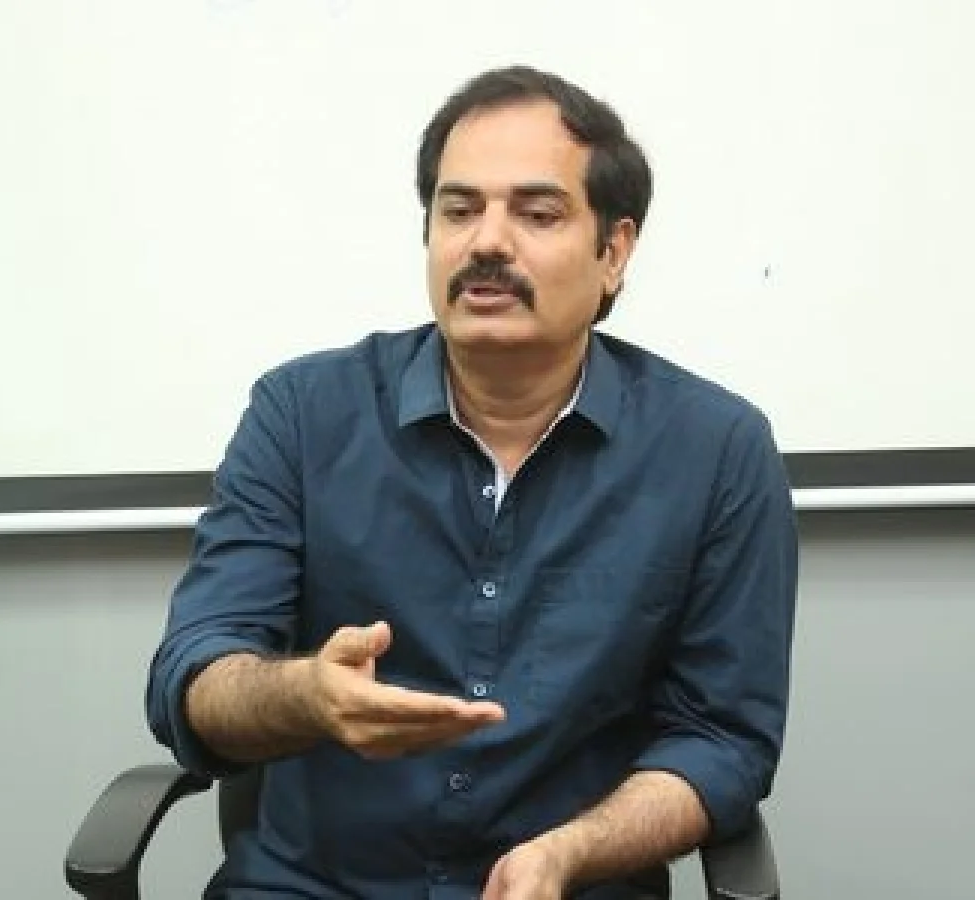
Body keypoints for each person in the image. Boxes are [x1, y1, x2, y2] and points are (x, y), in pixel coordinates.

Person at [146, 65, 798, 900]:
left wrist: (571, 853)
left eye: (536, 213)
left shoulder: (717, 450)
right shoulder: (302, 415)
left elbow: (722, 738)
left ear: (613, 252)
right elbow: (194, 675)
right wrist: (306, 695)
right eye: (459, 210)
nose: (487, 241)